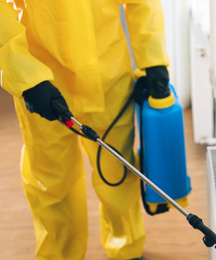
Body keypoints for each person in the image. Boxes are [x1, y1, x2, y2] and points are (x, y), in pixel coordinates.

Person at [0, 0, 170, 259]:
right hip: (43, 82)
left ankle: (127, 248)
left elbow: (142, 3)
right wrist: (26, 75)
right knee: (52, 180)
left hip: (108, 77)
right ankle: (60, 254)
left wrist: (153, 60)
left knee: (117, 170)